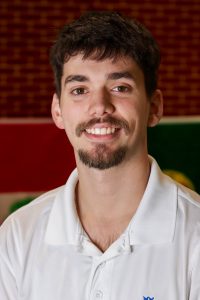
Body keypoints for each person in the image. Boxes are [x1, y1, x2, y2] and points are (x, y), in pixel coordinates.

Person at [0, 11, 200, 300]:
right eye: (79, 90)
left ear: (154, 107)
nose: (99, 107)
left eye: (120, 88)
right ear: (58, 110)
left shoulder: (194, 236)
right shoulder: (17, 236)